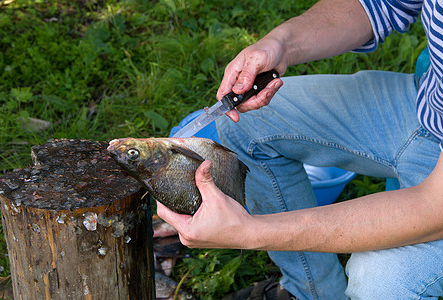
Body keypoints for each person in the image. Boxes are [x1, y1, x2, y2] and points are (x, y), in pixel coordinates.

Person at [157, 0, 443, 298]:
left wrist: (251, 231)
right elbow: (380, 4)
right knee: (245, 124)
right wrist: (280, 42)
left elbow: (435, 208)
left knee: (380, 280)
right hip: (430, 108)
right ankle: (313, 292)